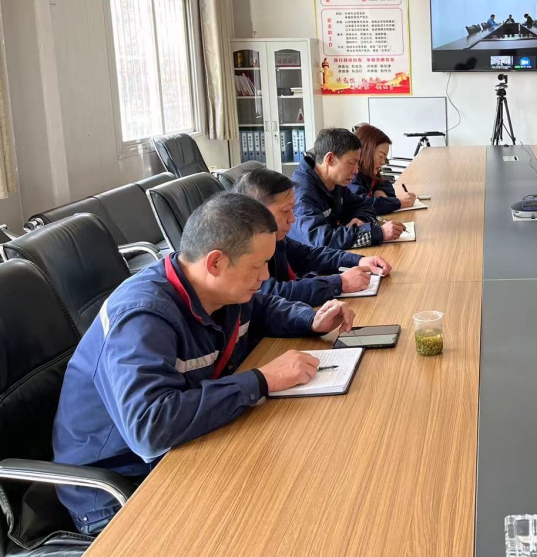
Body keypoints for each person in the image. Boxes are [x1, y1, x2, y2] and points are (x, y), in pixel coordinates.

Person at [51, 194, 356, 535]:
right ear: (215, 262)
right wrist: (262, 380)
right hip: (120, 490)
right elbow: (150, 428)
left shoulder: (221, 290)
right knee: (277, 519)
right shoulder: (142, 316)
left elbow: (261, 308)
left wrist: (310, 320)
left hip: (184, 451)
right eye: (257, 266)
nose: (265, 274)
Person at [234, 167, 392, 304]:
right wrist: (339, 283)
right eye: (285, 211)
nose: (292, 219)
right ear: (257, 212)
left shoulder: (274, 238)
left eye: (292, 209)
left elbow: (307, 255)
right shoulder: (241, 251)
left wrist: (358, 260)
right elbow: (271, 293)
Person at [290, 128, 406, 249]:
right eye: (352, 162)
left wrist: (360, 218)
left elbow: (365, 206)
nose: (356, 170)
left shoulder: (335, 182)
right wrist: (377, 233)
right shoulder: (302, 193)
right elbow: (322, 240)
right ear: (330, 159)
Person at [348, 124, 417, 215]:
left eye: (385, 158)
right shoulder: (351, 176)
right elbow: (362, 205)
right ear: (366, 152)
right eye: (381, 156)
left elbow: (384, 183)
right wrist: (399, 202)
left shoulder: (367, 172)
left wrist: (380, 192)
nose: (383, 162)